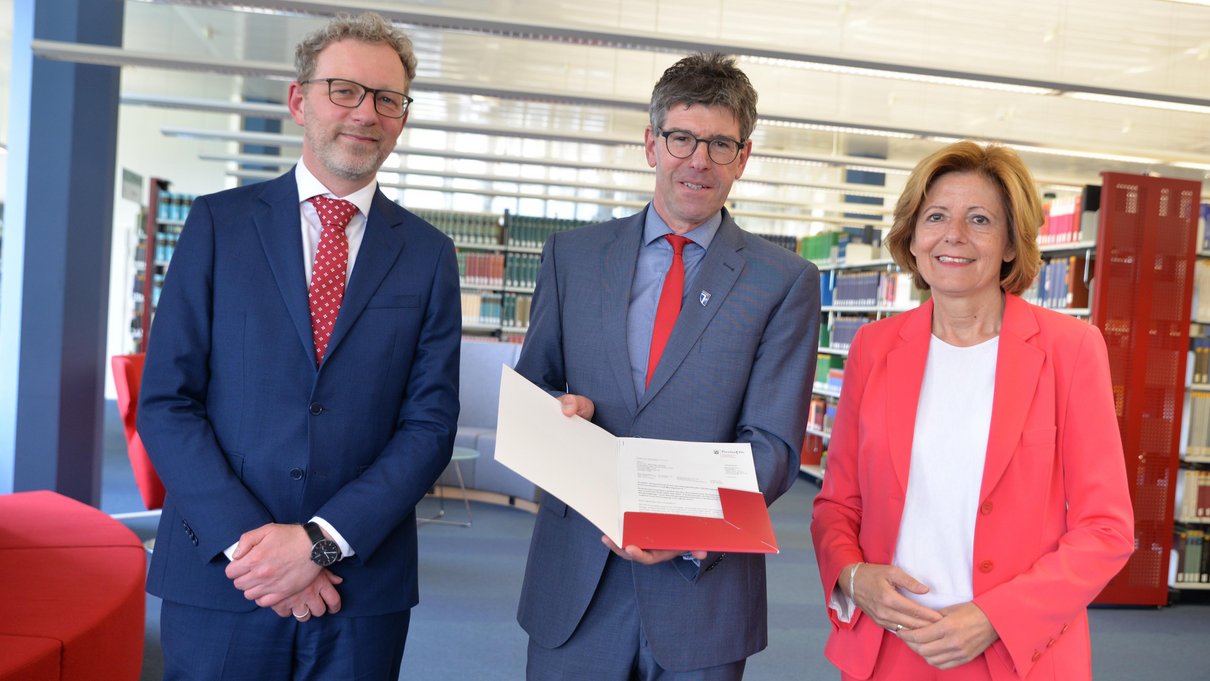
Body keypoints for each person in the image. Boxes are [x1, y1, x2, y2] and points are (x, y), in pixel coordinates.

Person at [137, 12, 460, 681]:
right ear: (298, 100)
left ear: (402, 117)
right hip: (222, 573)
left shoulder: (430, 256)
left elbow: (428, 426)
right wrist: (257, 551)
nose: (365, 112)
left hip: (360, 582)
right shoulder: (217, 225)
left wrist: (320, 543)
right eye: (344, 90)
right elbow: (168, 402)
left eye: (387, 99)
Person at [514, 52, 820, 680]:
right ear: (651, 144)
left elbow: (775, 448)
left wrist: (679, 525)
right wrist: (557, 415)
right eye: (681, 137)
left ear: (744, 156)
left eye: (720, 144)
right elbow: (532, 392)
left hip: (702, 587)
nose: (699, 160)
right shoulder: (571, 257)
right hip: (577, 580)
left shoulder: (784, 281)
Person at [811, 140, 1135, 680]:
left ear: (1011, 244)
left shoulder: (1070, 349)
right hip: (888, 647)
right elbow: (837, 503)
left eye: (979, 219)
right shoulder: (874, 347)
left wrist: (996, 617)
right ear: (912, 239)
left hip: (1015, 654)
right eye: (935, 217)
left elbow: (1106, 528)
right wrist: (852, 574)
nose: (953, 235)